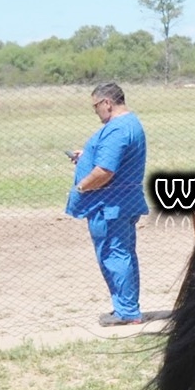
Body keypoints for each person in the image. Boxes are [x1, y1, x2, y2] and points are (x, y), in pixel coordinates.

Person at [67, 82, 149, 326]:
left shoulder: (117, 130)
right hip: (122, 202)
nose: (95, 112)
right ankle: (126, 306)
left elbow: (104, 171)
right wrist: (87, 156)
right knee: (122, 253)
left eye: (95, 106)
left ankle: (127, 311)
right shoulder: (130, 123)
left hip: (110, 206)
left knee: (114, 255)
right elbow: (112, 158)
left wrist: (81, 187)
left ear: (107, 103)